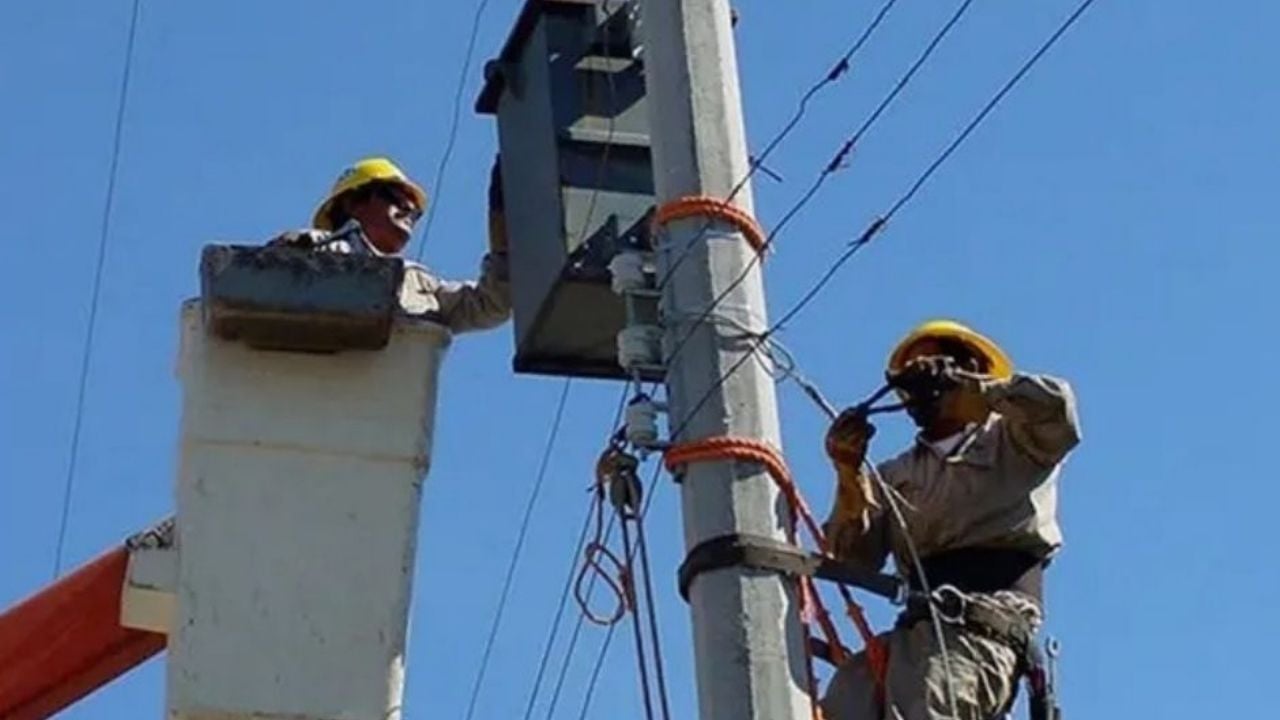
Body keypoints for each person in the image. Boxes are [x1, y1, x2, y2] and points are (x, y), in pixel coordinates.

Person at [820, 320, 1081, 720]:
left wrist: (978, 391)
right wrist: (848, 475)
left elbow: (1057, 411)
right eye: (910, 380)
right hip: (917, 631)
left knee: (928, 706)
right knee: (844, 700)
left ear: (971, 365)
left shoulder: (1014, 440)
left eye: (931, 371)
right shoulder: (895, 476)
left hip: (983, 624)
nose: (920, 390)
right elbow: (853, 559)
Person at [270, 156, 511, 333]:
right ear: (353, 203)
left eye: (415, 213)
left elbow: (492, 303)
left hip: (386, 394)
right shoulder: (311, 252)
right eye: (395, 198)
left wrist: (505, 214)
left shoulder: (418, 284)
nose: (408, 211)